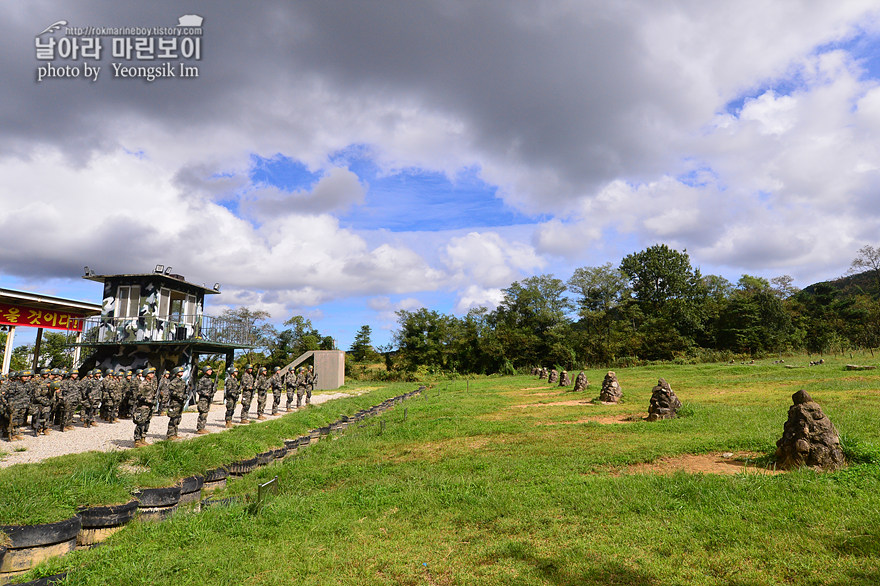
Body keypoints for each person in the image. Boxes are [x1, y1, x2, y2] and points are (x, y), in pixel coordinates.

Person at [133, 367, 157, 447]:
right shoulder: (142, 384)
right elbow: (138, 396)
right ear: (146, 375)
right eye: (150, 373)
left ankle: (143, 439)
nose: (152, 375)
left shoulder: (151, 383)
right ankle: (137, 441)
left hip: (149, 407)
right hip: (143, 406)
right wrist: (148, 401)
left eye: (153, 373)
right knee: (140, 423)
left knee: (147, 422)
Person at [165, 366, 187, 440]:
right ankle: (170, 435)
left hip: (180, 402)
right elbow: (171, 392)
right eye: (180, 372)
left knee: (178, 418)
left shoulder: (182, 381)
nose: (182, 373)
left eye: (182, 372)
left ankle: (175, 434)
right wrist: (180, 395)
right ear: (176, 373)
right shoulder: (173, 381)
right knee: (173, 418)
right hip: (174, 402)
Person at [195, 365, 215, 434]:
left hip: (208, 399)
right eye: (209, 370)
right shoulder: (202, 380)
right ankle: (200, 428)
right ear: (205, 371)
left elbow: (211, 389)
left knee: (205, 413)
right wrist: (205, 394)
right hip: (203, 399)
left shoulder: (209, 380)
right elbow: (198, 390)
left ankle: (202, 427)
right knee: (203, 414)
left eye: (211, 370)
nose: (211, 371)